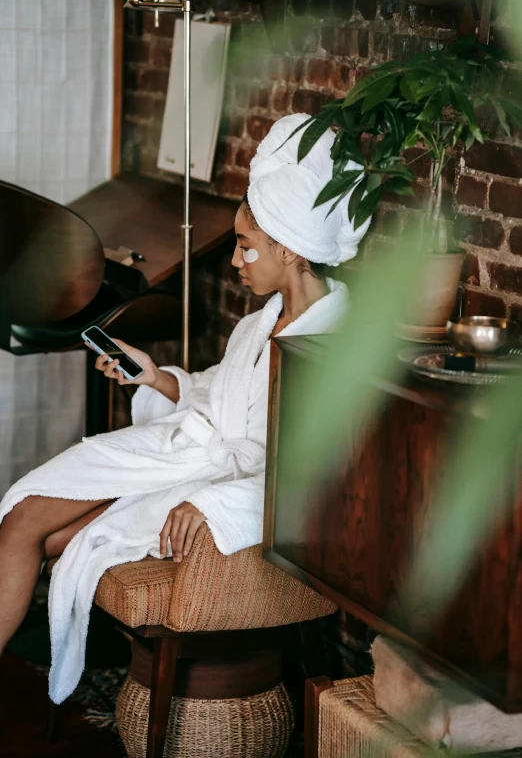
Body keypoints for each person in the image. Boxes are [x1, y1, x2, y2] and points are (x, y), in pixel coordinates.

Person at [0, 113, 370, 702]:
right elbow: (215, 391)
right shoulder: (261, 323)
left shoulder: (333, 348)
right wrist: (154, 376)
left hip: (205, 481)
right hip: (182, 452)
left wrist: (216, 502)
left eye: (246, 248)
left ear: (292, 249)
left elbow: (315, 475)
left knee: (37, 537)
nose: (234, 261)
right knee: (22, 523)